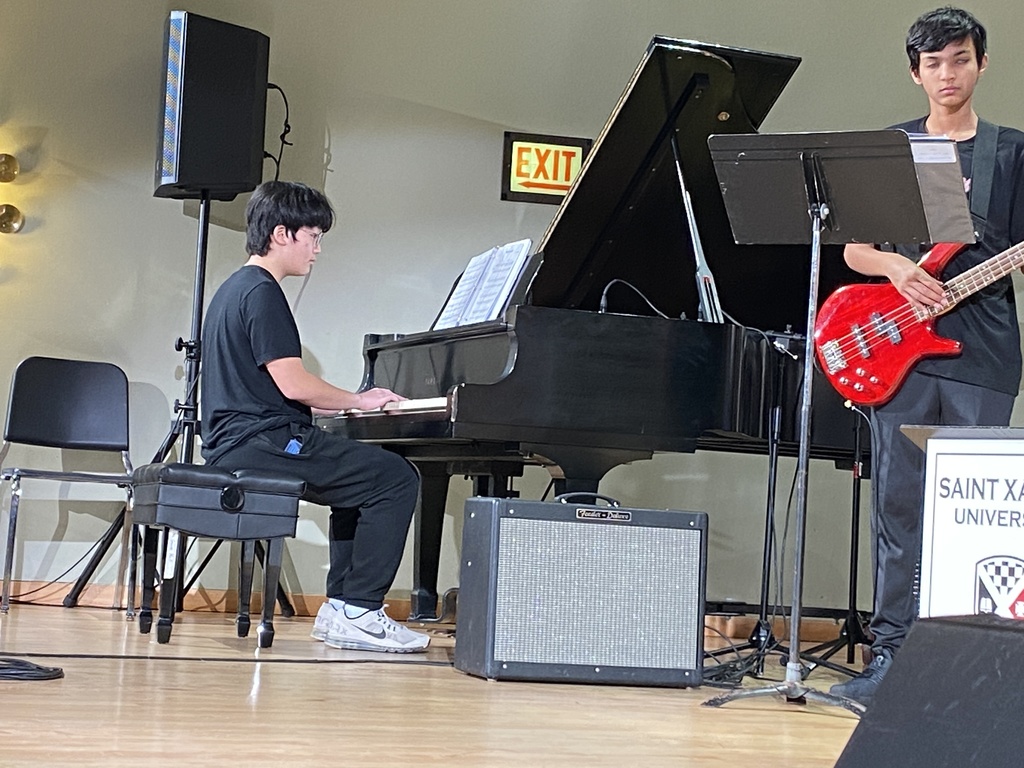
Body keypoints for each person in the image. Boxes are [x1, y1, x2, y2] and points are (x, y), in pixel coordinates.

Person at [831, 7, 1024, 705]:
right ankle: (891, 654)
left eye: (961, 59)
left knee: (974, 514)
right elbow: (852, 246)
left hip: (986, 350)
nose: (949, 73)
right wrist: (893, 266)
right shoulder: (892, 146)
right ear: (916, 72)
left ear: (981, 64)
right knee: (901, 503)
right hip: (900, 350)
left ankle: (967, 667)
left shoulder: (1010, 151)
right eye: (934, 63)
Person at [200, 180, 430, 653]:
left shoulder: (233, 289)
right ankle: (359, 610)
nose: (318, 250)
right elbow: (293, 384)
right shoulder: (262, 293)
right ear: (282, 234)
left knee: (361, 485)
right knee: (395, 478)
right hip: (262, 442)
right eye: (314, 237)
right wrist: (359, 400)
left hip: (244, 440)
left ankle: (343, 608)